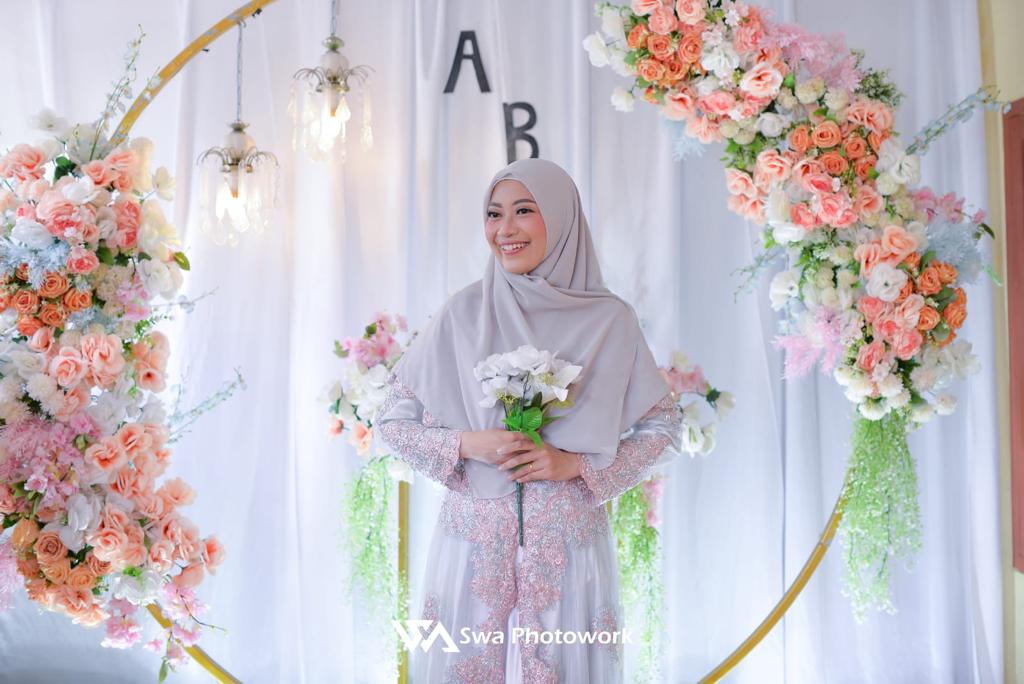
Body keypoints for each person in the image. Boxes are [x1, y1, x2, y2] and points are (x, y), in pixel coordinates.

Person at [375, 158, 682, 683]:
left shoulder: (610, 319)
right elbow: (392, 421)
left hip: (568, 549)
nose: (505, 229)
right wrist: (468, 443)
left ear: (561, 219)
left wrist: (576, 466)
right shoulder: (462, 313)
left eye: (523, 211)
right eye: (494, 214)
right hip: (473, 548)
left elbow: (663, 427)